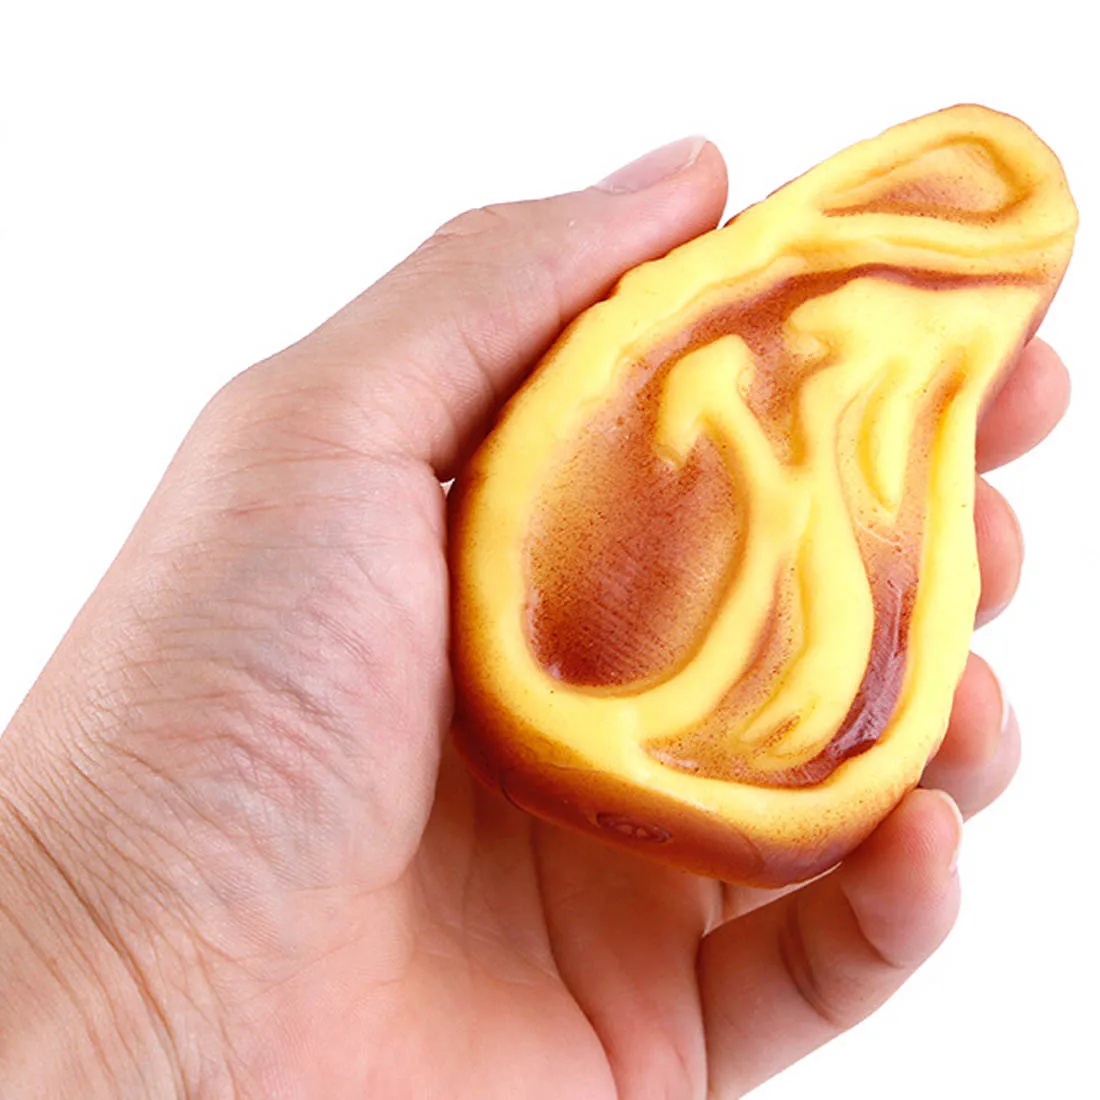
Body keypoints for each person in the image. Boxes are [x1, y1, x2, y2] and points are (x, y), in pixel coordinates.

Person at [0, 137, 1068, 1098]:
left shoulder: (853, 367)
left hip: (756, 684)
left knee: (831, 642)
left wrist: (113, 981)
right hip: (576, 669)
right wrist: (119, 956)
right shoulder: (742, 354)